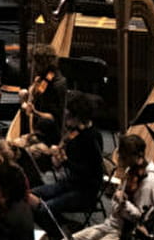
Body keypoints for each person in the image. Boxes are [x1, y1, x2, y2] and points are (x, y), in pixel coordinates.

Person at [60, 133, 154, 240]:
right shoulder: (132, 169)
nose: (121, 160)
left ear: (137, 156)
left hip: (120, 235)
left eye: (124, 157)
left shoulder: (148, 184)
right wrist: (116, 196)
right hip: (109, 224)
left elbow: (139, 219)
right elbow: (116, 202)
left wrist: (123, 203)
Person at [31, 91, 105, 232]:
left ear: (79, 117)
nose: (66, 120)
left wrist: (65, 162)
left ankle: (61, 235)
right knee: (30, 195)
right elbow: (61, 164)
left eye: (70, 116)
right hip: (70, 183)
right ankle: (63, 225)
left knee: (45, 209)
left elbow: (90, 173)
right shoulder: (74, 133)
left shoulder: (92, 138)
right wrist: (55, 156)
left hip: (85, 191)